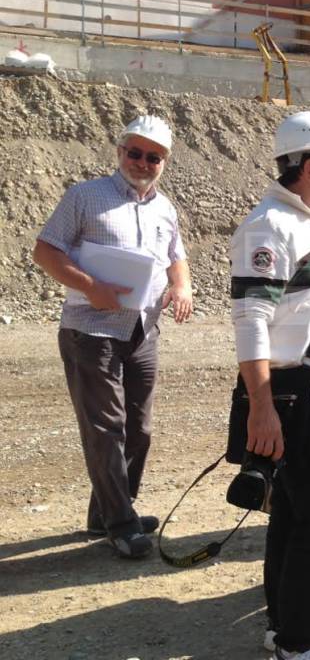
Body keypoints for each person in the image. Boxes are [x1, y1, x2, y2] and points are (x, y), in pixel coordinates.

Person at [33, 114, 193, 559]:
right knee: (107, 430)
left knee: (138, 430)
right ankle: (121, 523)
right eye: (135, 153)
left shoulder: (165, 208)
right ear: (120, 152)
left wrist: (181, 285)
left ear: (164, 162)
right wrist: (90, 287)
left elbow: (176, 258)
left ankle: (106, 512)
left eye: (154, 157)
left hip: (142, 329)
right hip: (91, 330)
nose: (143, 162)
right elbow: (45, 250)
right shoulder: (85, 196)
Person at [231, 111, 310, 660]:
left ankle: (285, 624)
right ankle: (297, 643)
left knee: (291, 512)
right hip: (285, 398)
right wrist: (261, 406)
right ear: (309, 167)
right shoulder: (269, 228)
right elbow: (251, 320)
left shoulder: (304, 221)